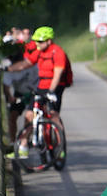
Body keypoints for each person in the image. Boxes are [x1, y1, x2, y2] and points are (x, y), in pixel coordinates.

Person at [16, 26, 69, 157]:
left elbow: (57, 74)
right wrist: (7, 68)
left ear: (49, 41)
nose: (37, 44)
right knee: (29, 114)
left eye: (40, 42)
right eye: (36, 42)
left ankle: (60, 146)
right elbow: (25, 63)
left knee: (53, 114)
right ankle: (23, 145)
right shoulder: (39, 52)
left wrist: (51, 91)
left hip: (55, 87)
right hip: (41, 86)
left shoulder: (58, 52)